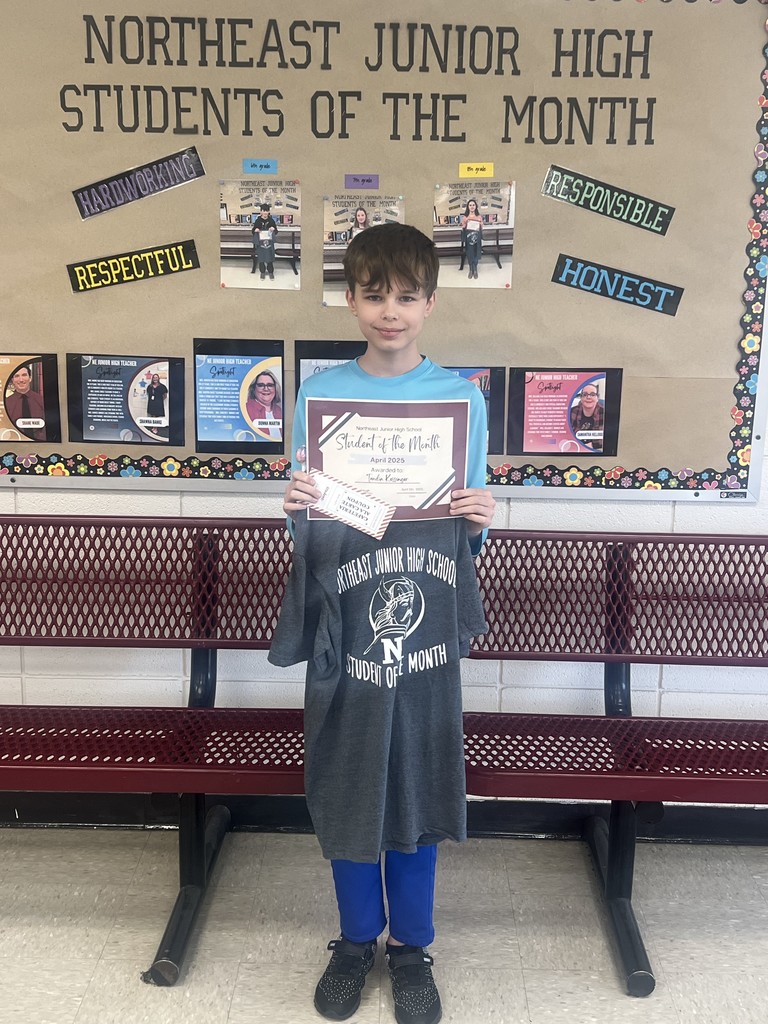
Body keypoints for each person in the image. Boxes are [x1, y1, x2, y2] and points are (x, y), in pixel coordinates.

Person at [270, 223, 495, 1024]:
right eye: (375, 295)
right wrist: (294, 504)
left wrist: (482, 514)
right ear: (351, 300)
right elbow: (309, 526)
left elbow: (466, 532)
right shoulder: (322, 395)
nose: (390, 311)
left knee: (419, 778)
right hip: (345, 622)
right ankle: (356, 939)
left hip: (425, 628)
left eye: (406, 296)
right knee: (350, 778)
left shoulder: (461, 400)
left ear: (430, 303)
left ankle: (412, 949)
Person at [5, 364, 46, 440]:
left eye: (24, 375)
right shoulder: (6, 403)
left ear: (30, 378)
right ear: (12, 380)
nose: (21, 380)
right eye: (17, 376)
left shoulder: (42, 400)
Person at [569, 383, 605, 449]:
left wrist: (593, 445)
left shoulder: (604, 413)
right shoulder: (572, 412)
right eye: (585, 394)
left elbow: (610, 436)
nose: (588, 397)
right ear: (581, 398)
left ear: (597, 398)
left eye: (592, 394)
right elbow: (567, 434)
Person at [251, 202, 278, 279]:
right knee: (261, 258)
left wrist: (273, 229)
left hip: (269, 243)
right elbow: (253, 231)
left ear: (269, 212)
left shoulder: (271, 220)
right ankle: (262, 272)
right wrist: (255, 230)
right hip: (260, 243)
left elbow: (276, 231)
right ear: (261, 212)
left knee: (269, 257)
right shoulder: (258, 220)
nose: (265, 212)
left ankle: (270, 272)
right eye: (263, 211)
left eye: (267, 211)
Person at [459, 198, 483, 280]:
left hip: (476, 239)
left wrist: (481, 224)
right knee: (470, 254)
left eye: (473, 205)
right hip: (469, 240)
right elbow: (463, 227)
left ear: (476, 206)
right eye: (470, 205)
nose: (472, 206)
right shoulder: (465, 217)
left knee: (476, 254)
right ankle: (470, 270)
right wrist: (463, 226)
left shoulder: (479, 217)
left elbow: (481, 228)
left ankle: (475, 270)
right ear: (468, 207)